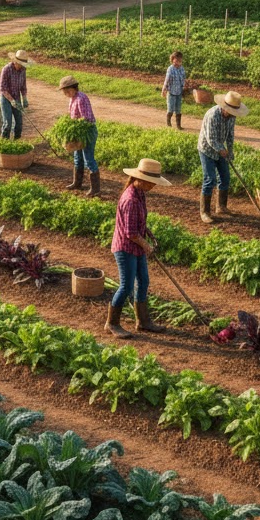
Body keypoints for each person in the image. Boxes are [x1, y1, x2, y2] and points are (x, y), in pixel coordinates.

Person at [105, 157, 173, 338]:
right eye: (152, 183)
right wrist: (147, 246)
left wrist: (149, 235)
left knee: (143, 281)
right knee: (126, 286)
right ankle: (112, 323)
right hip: (125, 248)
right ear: (142, 179)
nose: (154, 186)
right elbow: (130, 233)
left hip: (137, 246)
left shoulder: (140, 193)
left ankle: (143, 321)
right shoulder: (130, 200)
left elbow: (139, 223)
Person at [197, 90, 248, 224]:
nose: (232, 115)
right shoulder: (212, 115)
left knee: (225, 177)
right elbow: (210, 138)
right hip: (207, 149)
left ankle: (221, 206)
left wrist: (230, 152)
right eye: (230, 112)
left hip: (221, 151)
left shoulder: (231, 117)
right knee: (210, 179)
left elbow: (230, 135)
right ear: (224, 107)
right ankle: (205, 212)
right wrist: (221, 149)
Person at [59, 75, 100, 197]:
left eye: (67, 91)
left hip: (87, 132)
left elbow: (86, 119)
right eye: (64, 92)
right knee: (77, 158)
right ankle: (77, 183)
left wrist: (75, 127)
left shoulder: (81, 98)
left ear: (73, 88)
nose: (65, 93)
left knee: (89, 159)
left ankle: (96, 189)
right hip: (79, 132)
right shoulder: (72, 98)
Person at [0, 49, 31, 139]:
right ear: (15, 61)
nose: (21, 66)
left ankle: (17, 141)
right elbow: (3, 88)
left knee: (19, 122)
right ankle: (4, 142)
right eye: (20, 63)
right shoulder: (6, 69)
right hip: (6, 98)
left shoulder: (23, 70)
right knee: (8, 123)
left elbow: (23, 86)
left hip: (17, 97)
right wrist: (12, 101)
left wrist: (24, 98)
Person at [161, 50, 186, 129]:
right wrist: (164, 90)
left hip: (179, 92)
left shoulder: (182, 69)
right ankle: (168, 123)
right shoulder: (170, 69)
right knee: (171, 109)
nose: (178, 61)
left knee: (178, 109)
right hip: (171, 92)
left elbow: (183, 79)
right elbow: (167, 80)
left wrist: (184, 88)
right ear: (172, 59)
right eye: (176, 59)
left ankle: (178, 125)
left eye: (179, 60)